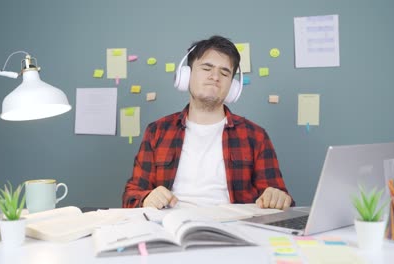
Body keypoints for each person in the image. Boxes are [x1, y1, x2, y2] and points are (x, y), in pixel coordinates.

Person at [122, 35, 294, 210]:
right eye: (206, 68)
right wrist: (146, 198)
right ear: (186, 75)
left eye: (224, 72)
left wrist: (278, 197)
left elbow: (279, 199)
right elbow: (131, 195)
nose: (215, 77)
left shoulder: (256, 136)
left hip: (233, 230)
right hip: (170, 227)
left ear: (233, 87)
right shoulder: (157, 131)